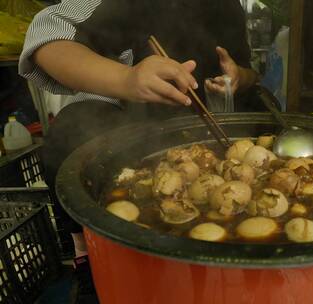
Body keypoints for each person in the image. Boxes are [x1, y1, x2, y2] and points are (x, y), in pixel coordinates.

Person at [19, 0, 259, 302]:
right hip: (130, 121)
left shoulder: (230, 7)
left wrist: (239, 76)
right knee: (70, 133)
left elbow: (251, 73)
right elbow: (47, 38)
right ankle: (89, 262)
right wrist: (127, 79)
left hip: (207, 131)